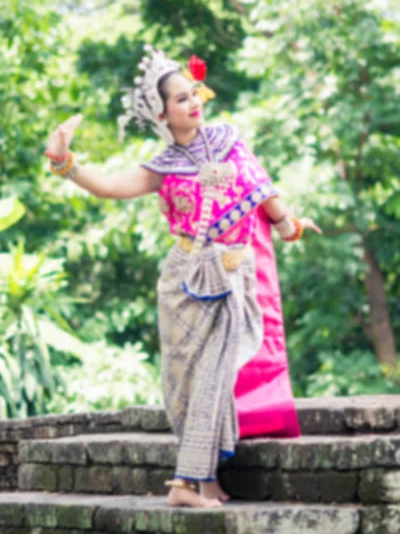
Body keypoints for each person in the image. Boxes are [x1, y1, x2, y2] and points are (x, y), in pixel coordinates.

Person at [45, 46, 322, 509]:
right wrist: (64, 162)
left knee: (216, 371)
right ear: (162, 113)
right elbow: (110, 186)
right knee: (190, 380)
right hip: (184, 280)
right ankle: (187, 483)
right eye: (179, 99)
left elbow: (262, 188)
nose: (192, 102)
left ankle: (199, 480)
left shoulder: (229, 139)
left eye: (193, 92)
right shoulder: (163, 166)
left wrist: (291, 225)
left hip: (231, 275)